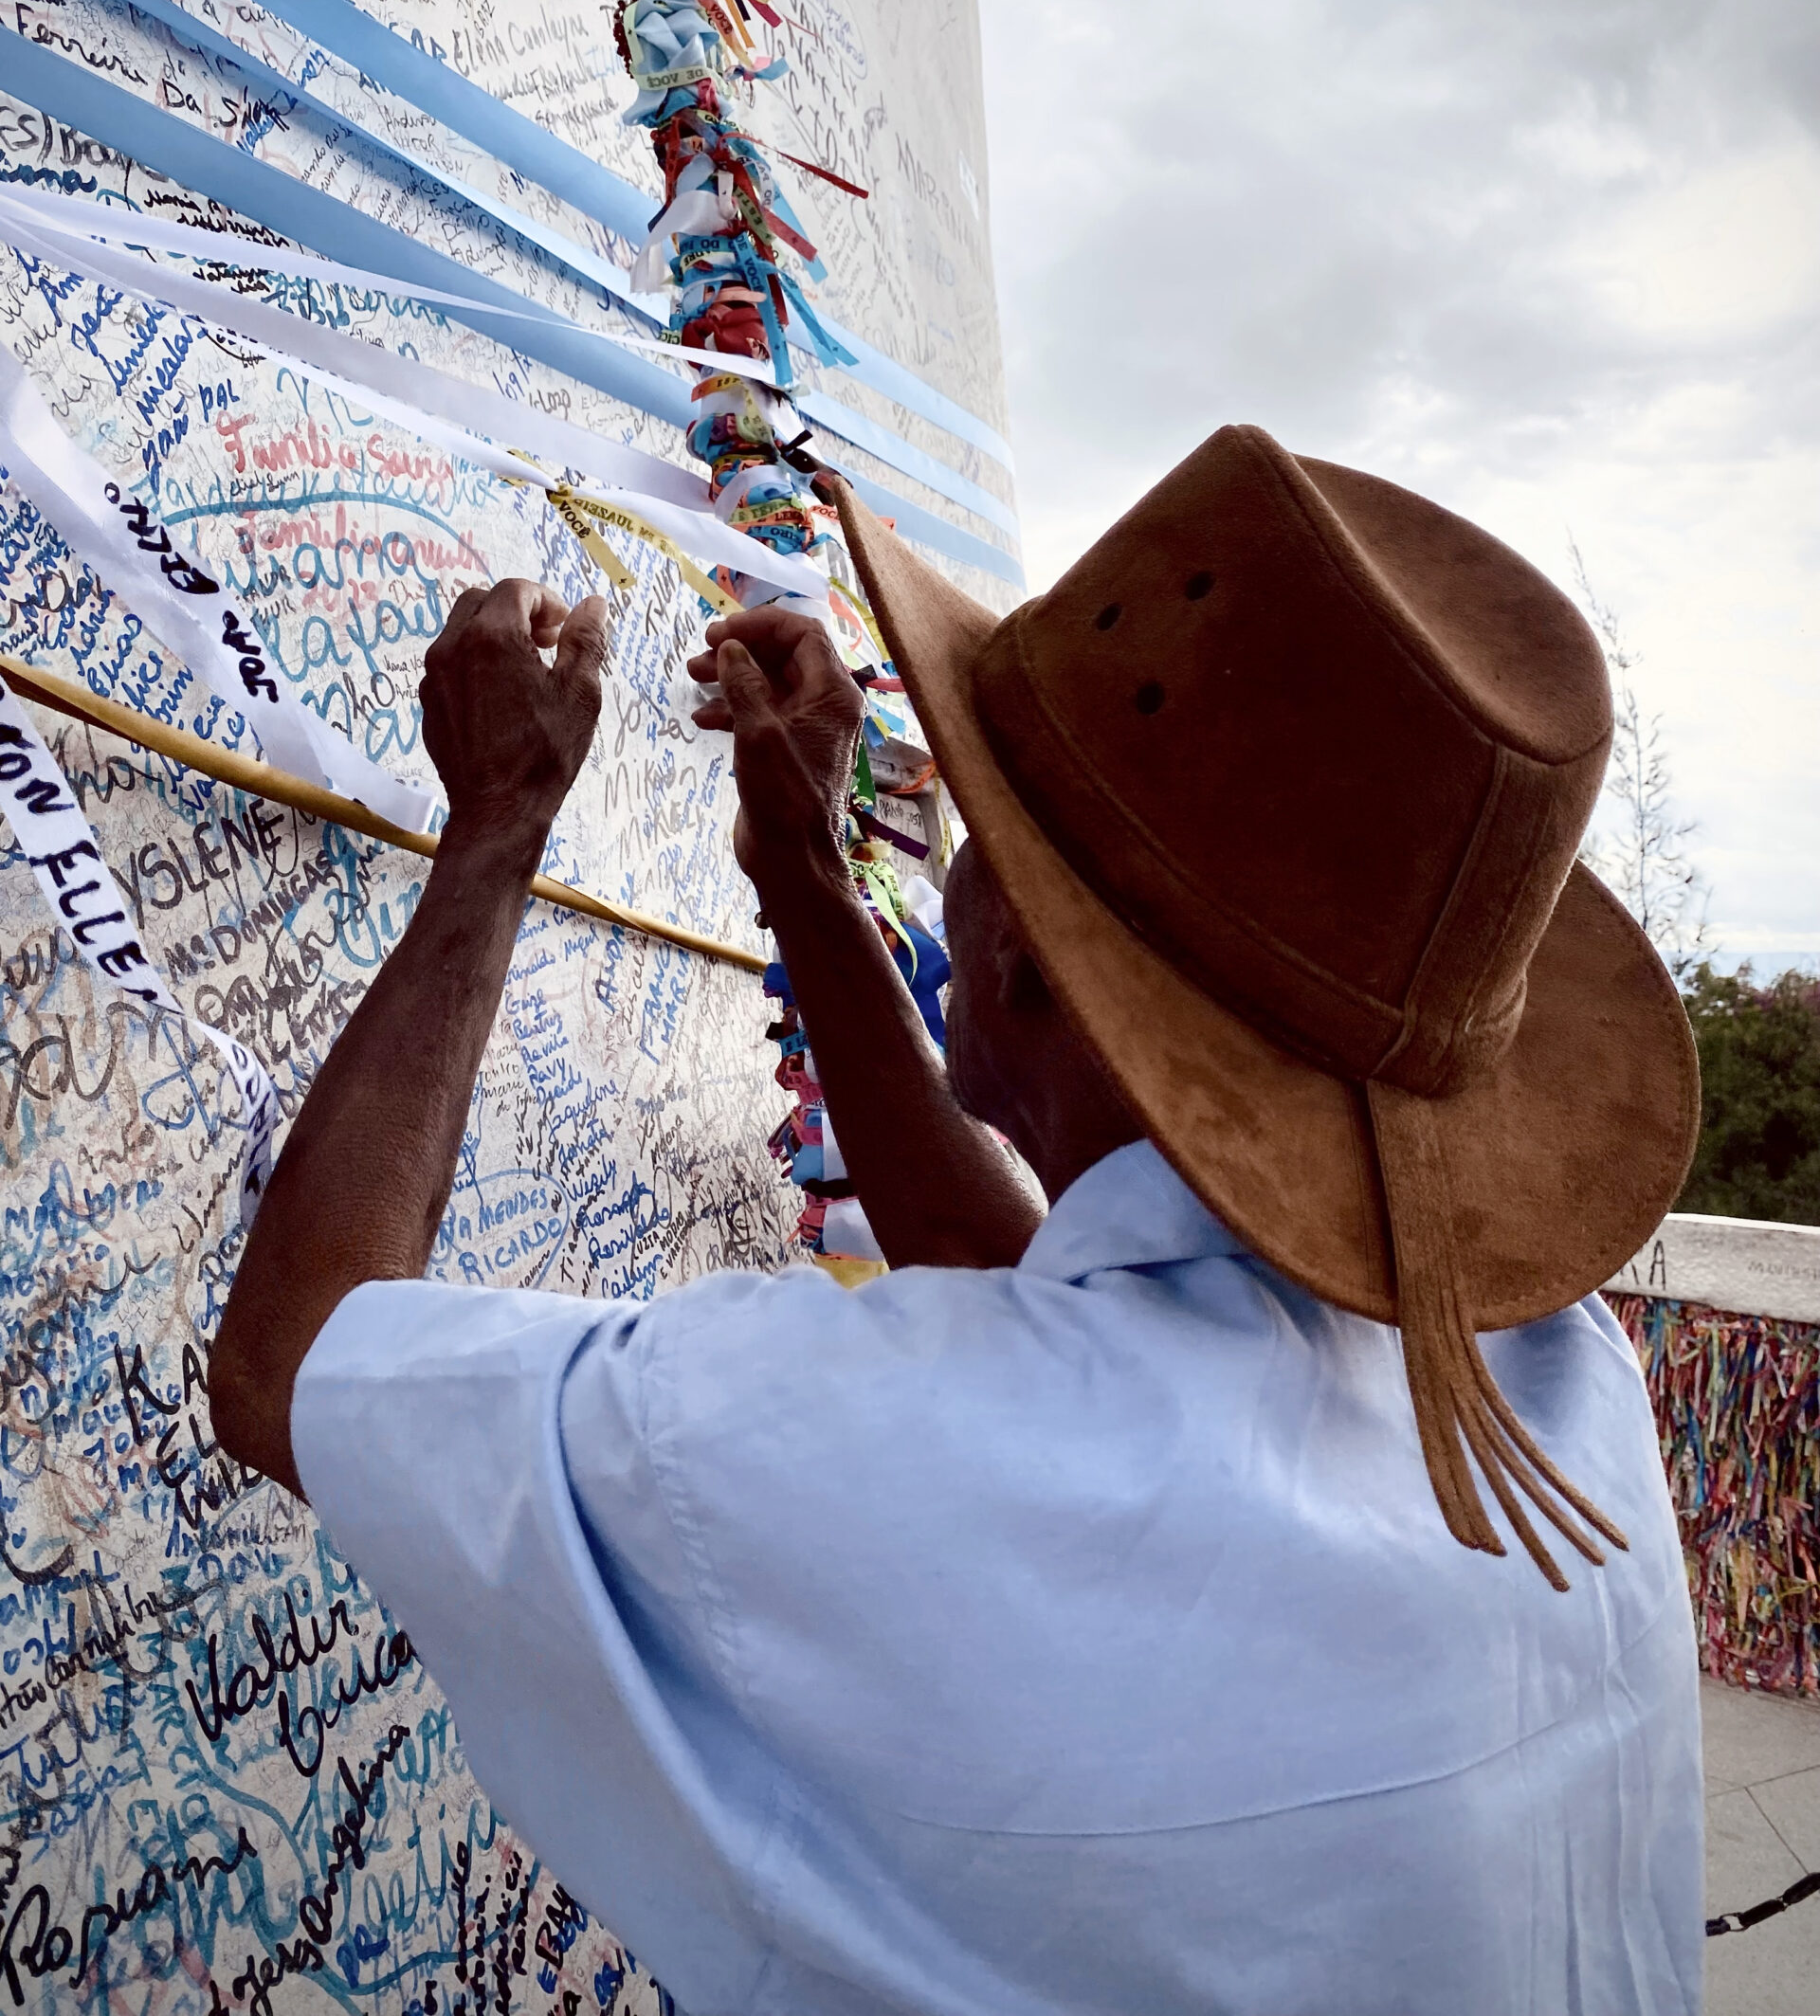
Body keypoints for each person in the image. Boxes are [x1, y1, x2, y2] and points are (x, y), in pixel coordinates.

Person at [210, 424, 1704, 2016]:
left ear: (1019, 970)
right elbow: (1066, 1338)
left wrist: (500, 823)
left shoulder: (863, 1448)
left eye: (984, 818)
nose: (953, 866)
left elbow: (297, 1364)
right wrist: (801, 870)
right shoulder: (1557, 1375)